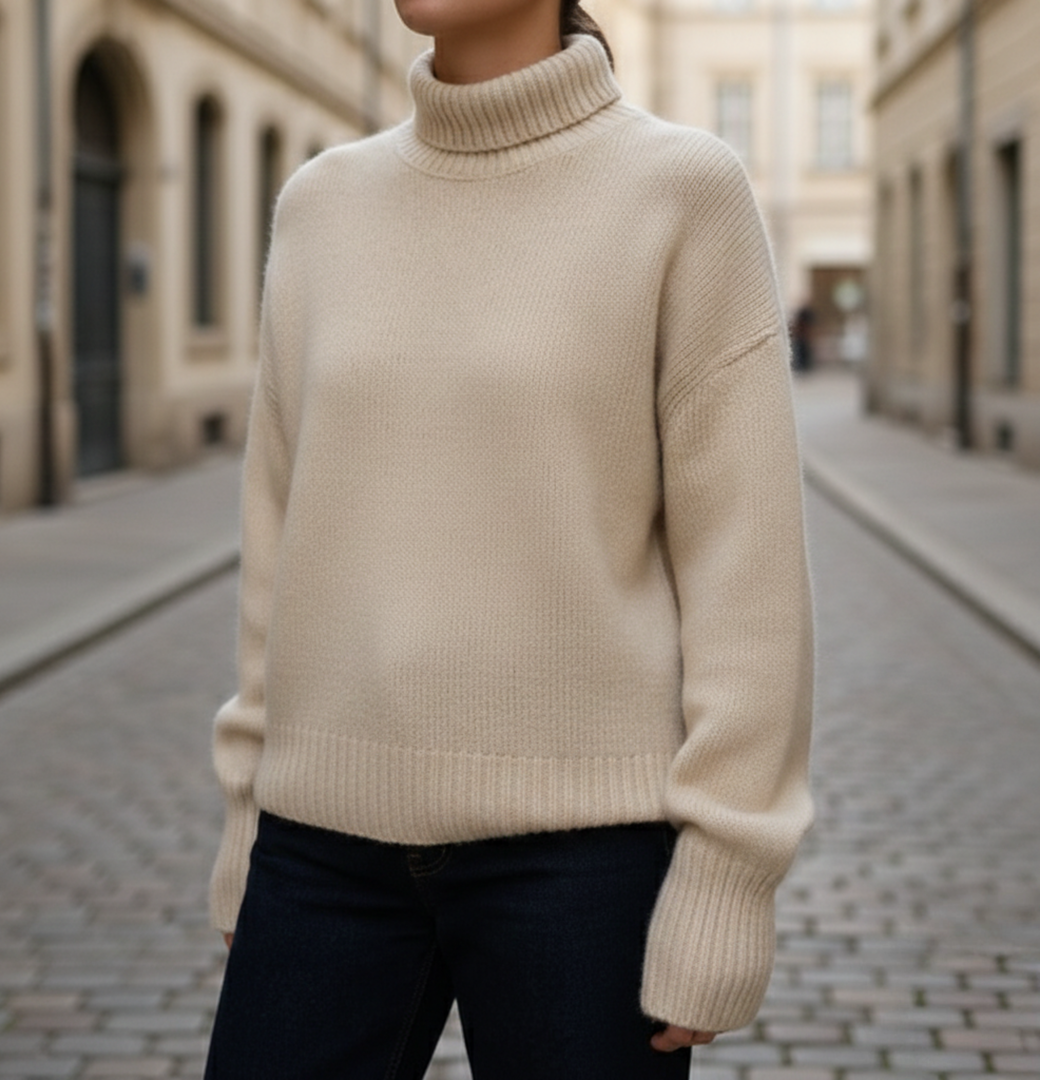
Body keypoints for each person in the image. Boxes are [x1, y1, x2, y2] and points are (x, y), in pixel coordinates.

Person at [204, 1, 814, 1077]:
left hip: (586, 868)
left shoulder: (681, 192)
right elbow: (278, 531)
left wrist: (727, 878)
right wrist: (248, 814)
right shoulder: (320, 207)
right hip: (318, 852)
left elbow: (745, 574)